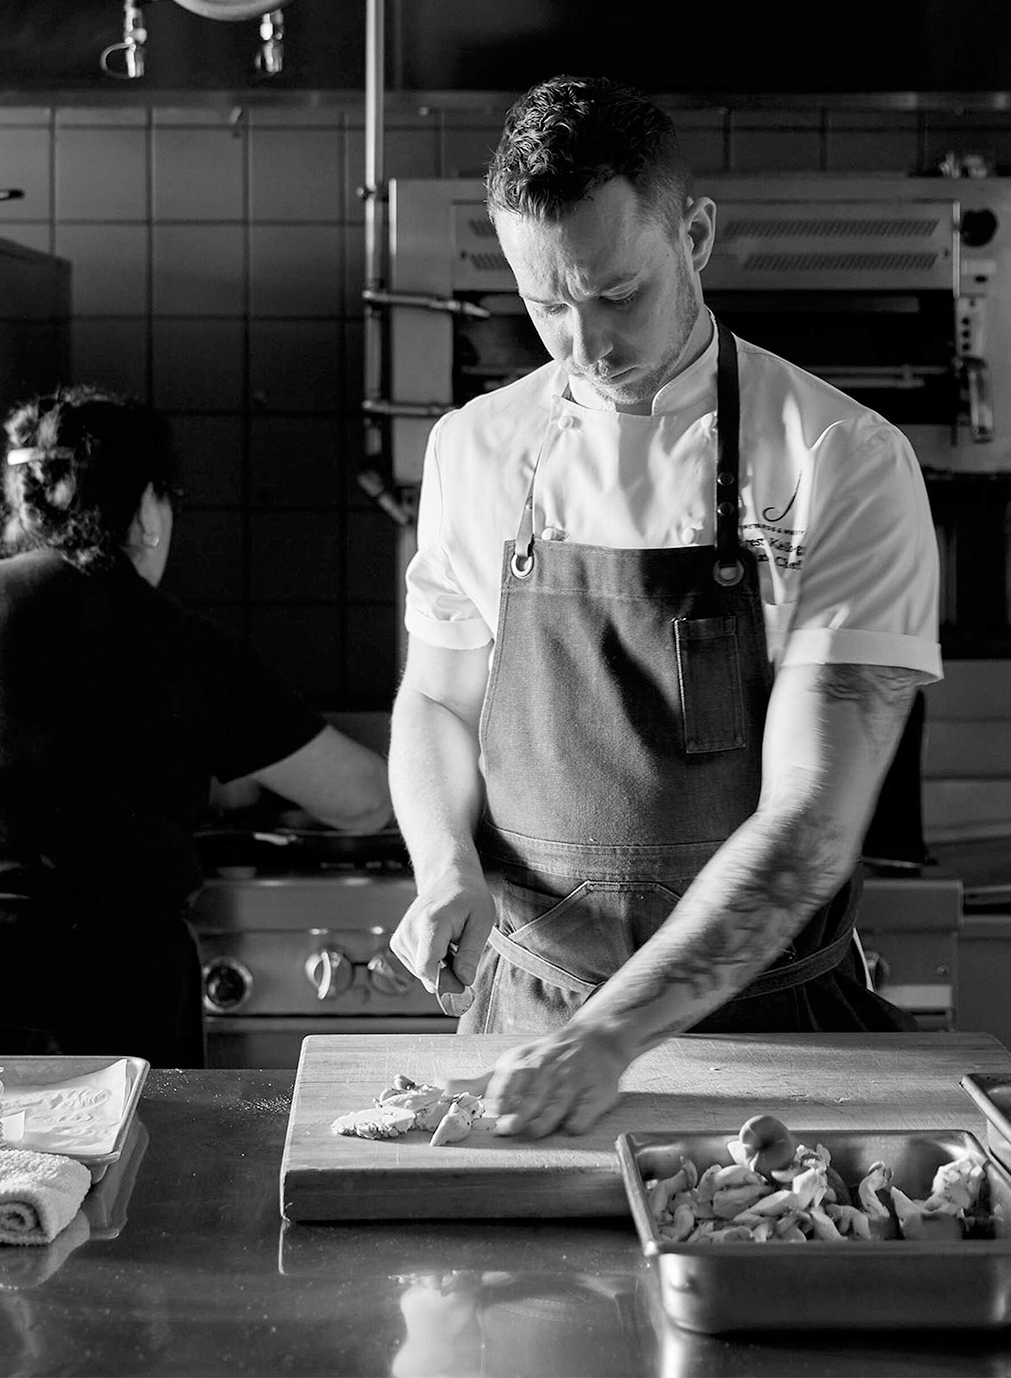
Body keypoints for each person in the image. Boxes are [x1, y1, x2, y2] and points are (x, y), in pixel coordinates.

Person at [388, 76, 940, 1140]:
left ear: (694, 234)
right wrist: (444, 865)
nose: (582, 343)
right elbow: (437, 703)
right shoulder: (475, 449)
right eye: (544, 303)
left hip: (764, 1036)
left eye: (613, 293)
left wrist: (612, 1035)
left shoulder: (839, 459)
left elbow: (809, 825)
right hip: (522, 1023)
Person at [0, 386, 391, 1071]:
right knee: (87, 1185)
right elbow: (361, 798)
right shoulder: (192, 647)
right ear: (147, 509)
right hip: (94, 1016)